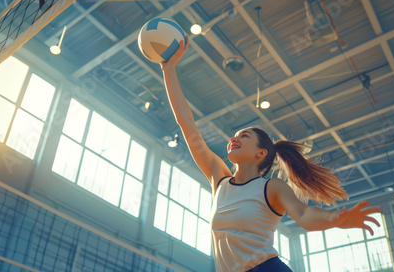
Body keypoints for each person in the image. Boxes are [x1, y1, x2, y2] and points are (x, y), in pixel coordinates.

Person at [160, 35, 382, 272]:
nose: (234, 138)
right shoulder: (219, 180)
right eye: (234, 135)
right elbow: (186, 123)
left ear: (260, 153)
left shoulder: (271, 188)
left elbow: (304, 214)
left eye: (244, 136)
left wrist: (335, 220)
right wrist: (168, 68)